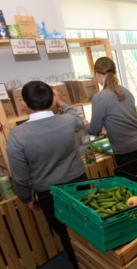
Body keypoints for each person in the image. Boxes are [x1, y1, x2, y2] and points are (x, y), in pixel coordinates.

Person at [7, 81, 86, 269]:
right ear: (52, 100)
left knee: (66, 235)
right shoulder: (67, 120)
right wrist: (62, 103)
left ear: (24, 104)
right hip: (80, 184)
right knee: (88, 227)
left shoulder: (17, 135)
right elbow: (77, 116)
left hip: (50, 195)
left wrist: (27, 198)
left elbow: (19, 176)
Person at [88, 57, 137, 166]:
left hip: (126, 151)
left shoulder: (99, 97)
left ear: (97, 74)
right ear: (115, 72)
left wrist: (84, 124)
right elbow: (123, 118)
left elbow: (93, 130)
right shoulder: (127, 92)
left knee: (129, 181)